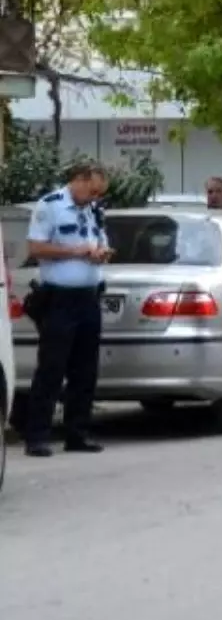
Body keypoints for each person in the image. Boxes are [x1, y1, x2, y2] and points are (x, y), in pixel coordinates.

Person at [21, 162, 112, 457]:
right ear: (79, 180)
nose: (95, 196)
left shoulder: (94, 209)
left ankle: (78, 432)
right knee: (51, 368)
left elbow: (100, 241)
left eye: (99, 193)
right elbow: (35, 248)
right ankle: (37, 435)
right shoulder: (50, 206)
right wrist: (76, 252)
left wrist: (101, 254)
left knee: (85, 370)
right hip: (59, 298)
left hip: (89, 296)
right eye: (93, 190)